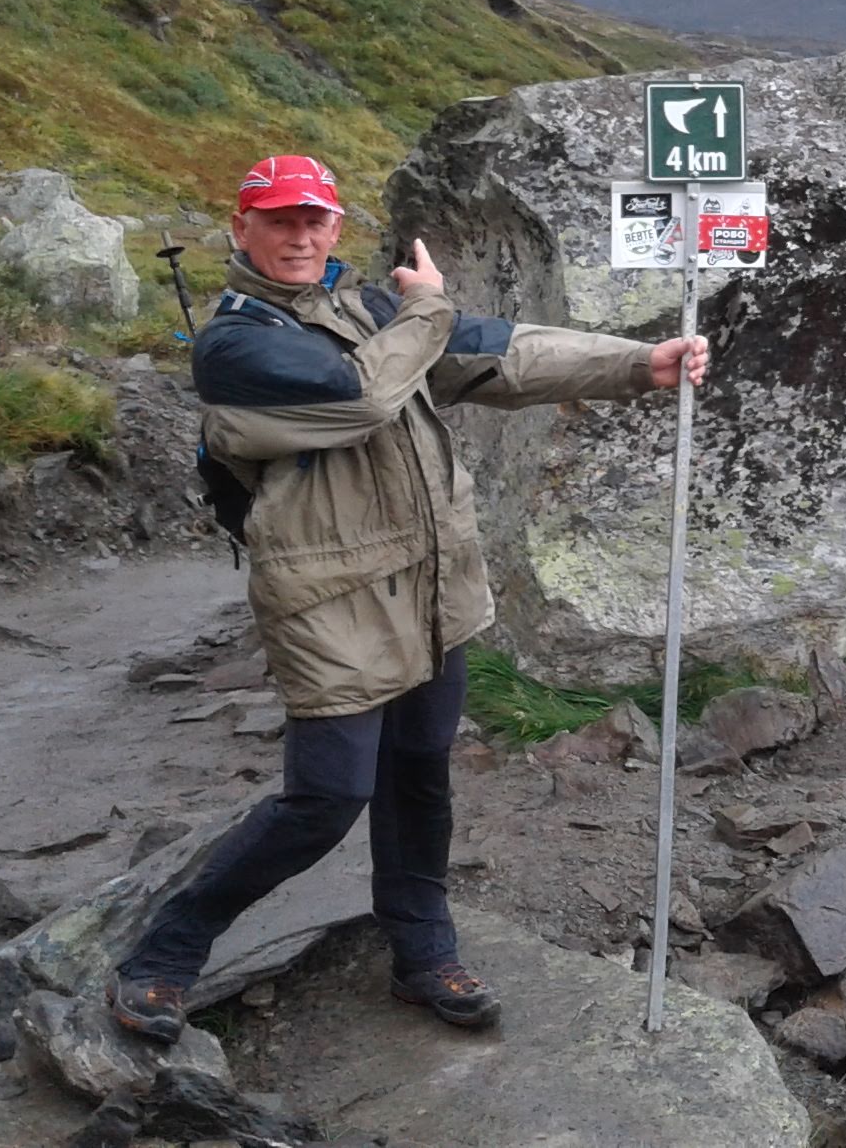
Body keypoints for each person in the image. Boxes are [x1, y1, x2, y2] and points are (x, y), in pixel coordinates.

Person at [108, 153, 708, 1042]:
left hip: (434, 584)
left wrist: (636, 364)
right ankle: (166, 949)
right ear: (241, 228)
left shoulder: (371, 310)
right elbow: (362, 394)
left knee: (421, 774)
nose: (299, 235)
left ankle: (422, 949)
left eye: (314, 219)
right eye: (277, 220)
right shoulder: (235, 345)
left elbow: (496, 354)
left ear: (335, 227)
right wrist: (427, 308)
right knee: (326, 797)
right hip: (329, 596)